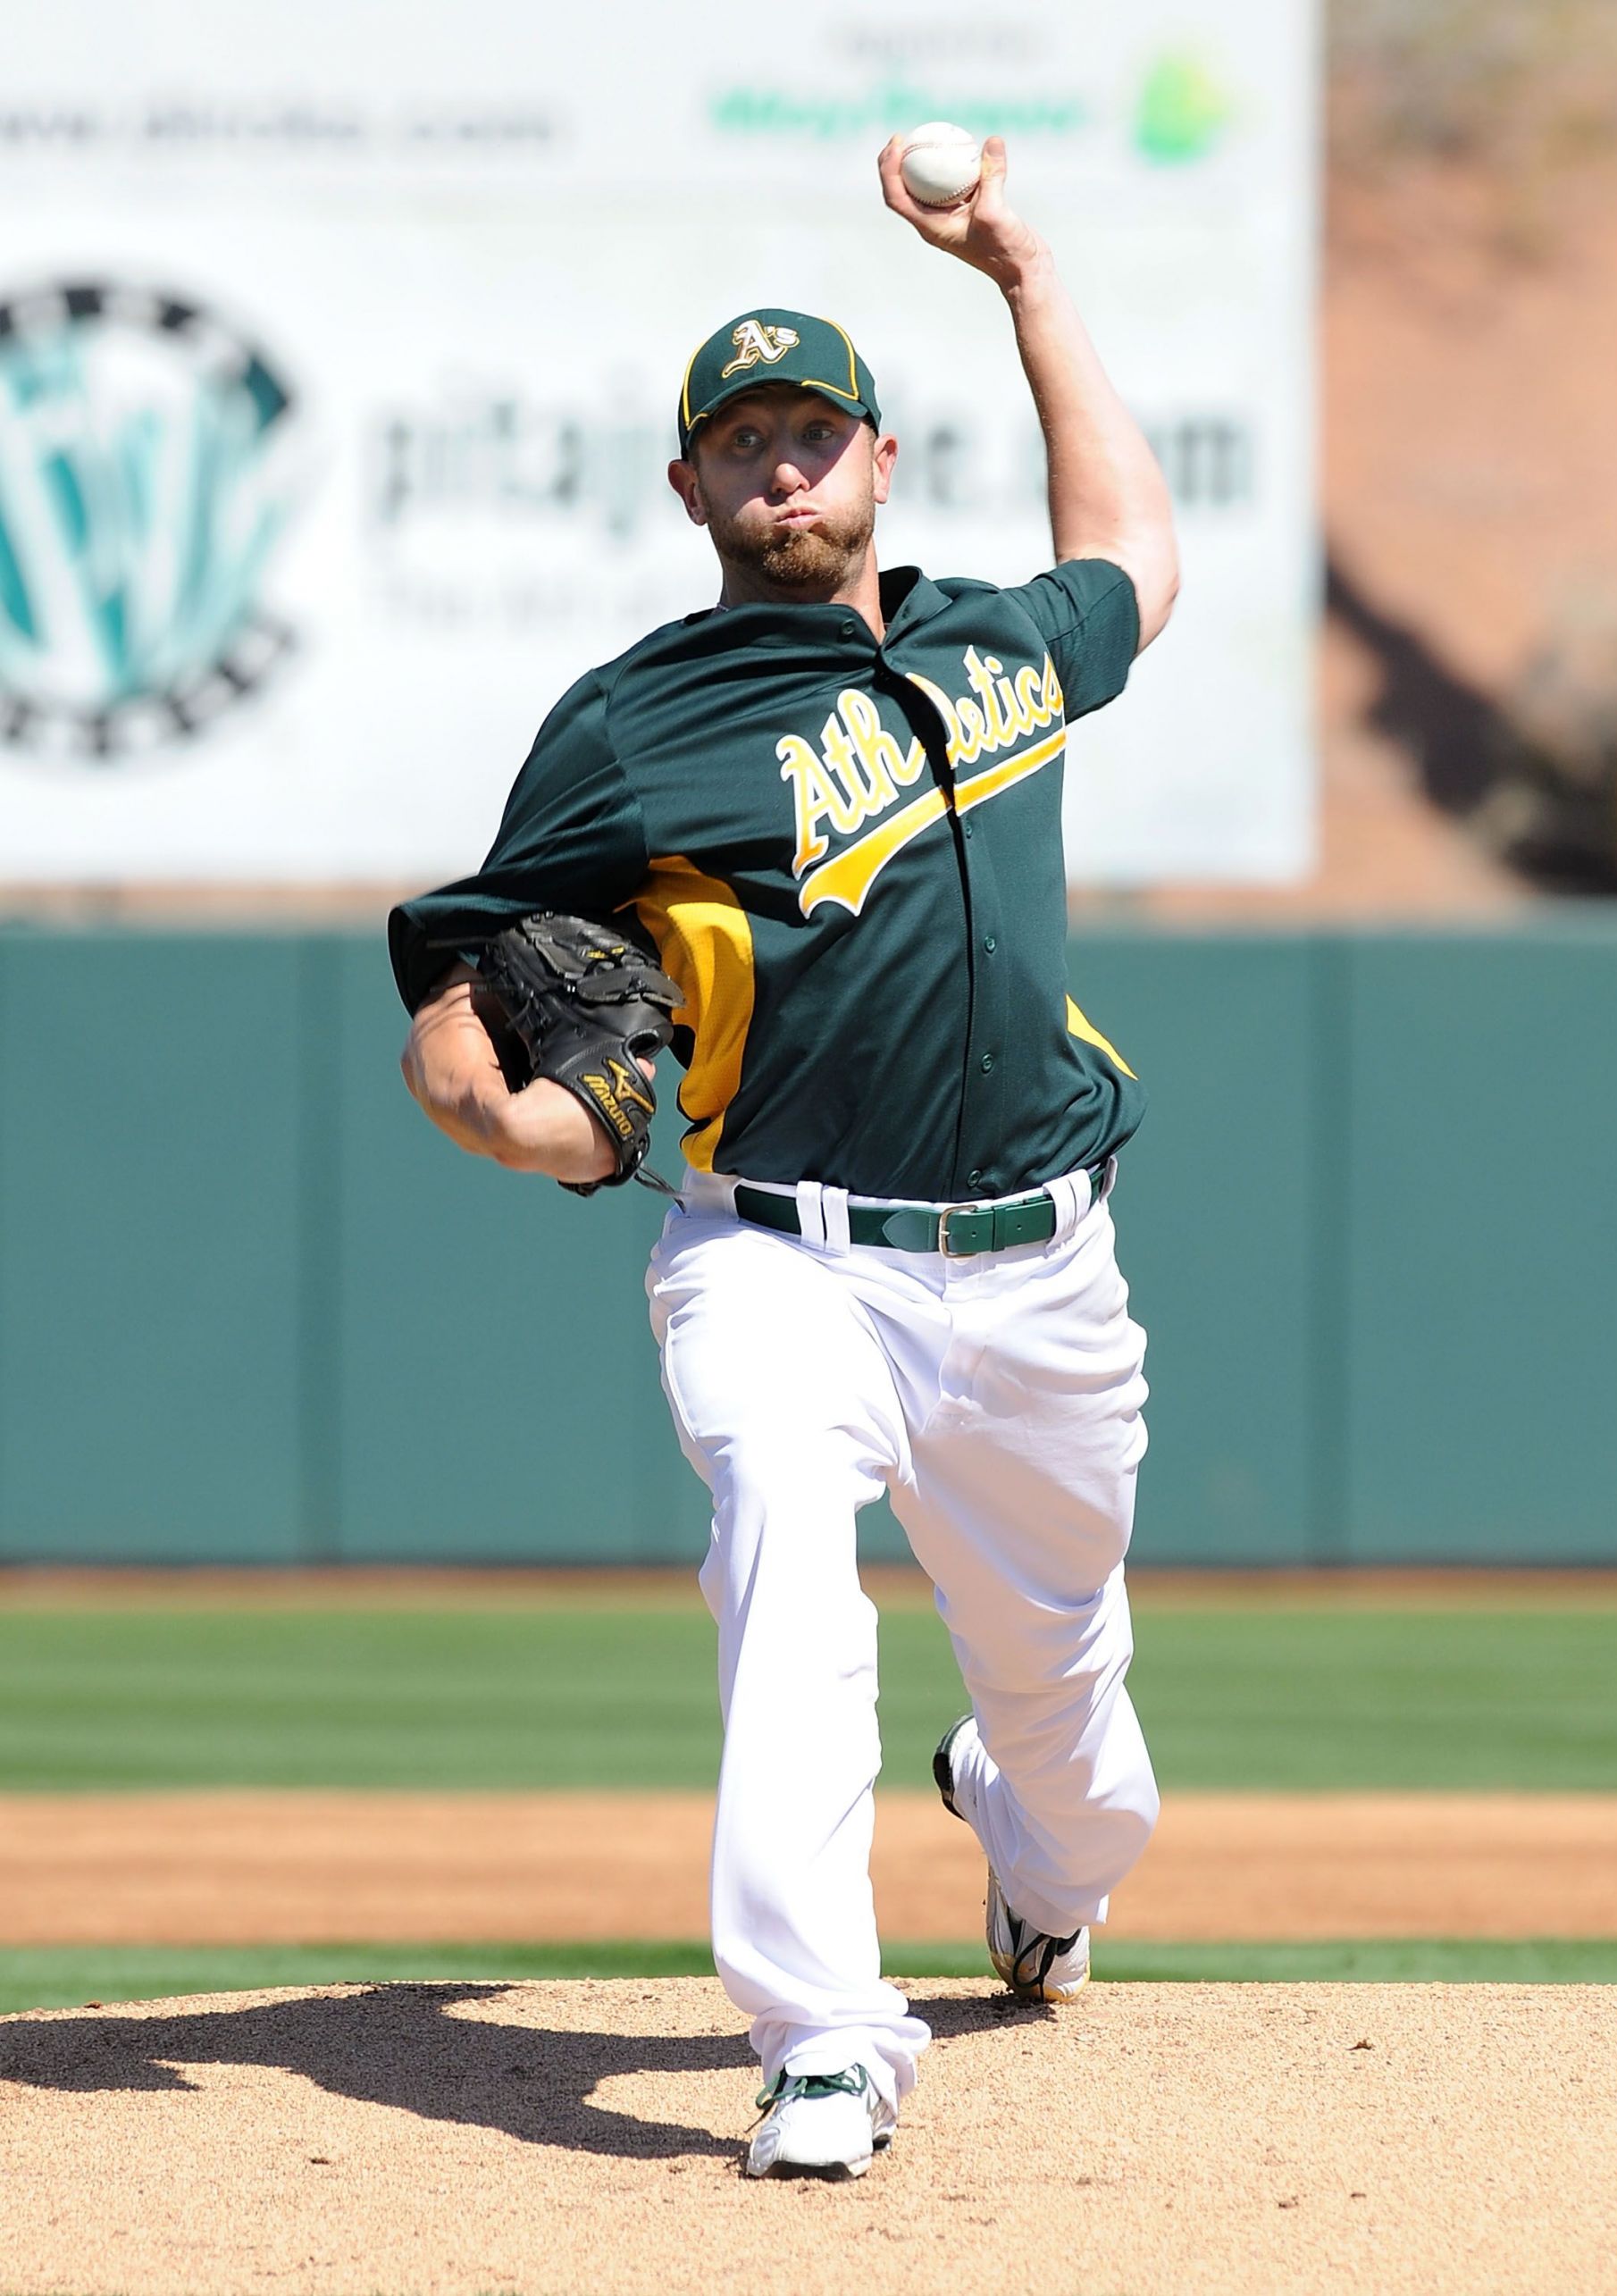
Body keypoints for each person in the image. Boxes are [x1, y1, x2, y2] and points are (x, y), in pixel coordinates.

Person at [390, 134, 1179, 2181]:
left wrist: (1026, 276)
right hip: (781, 1253)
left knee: (1087, 1755)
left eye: (812, 430)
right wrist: (488, 1098)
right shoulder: (635, 721)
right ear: (691, 490)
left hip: (1040, 1264)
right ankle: (825, 2029)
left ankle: (1023, 1834)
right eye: (742, 439)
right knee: (787, 1578)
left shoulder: (997, 643)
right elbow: (476, 969)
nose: (782, 466)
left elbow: (1144, 563)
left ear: (878, 459)